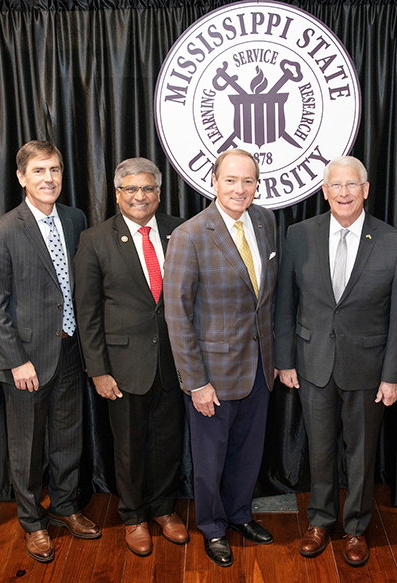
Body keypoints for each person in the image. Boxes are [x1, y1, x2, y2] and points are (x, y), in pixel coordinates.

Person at [274, 156, 397, 566]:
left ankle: (355, 527)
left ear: (366, 189)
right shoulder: (299, 235)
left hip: (368, 370)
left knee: (361, 453)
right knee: (319, 449)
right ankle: (319, 521)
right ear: (324, 191)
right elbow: (285, 302)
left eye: (351, 185)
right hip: (312, 363)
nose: (343, 193)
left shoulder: (394, 242)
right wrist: (285, 359)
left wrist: (392, 375)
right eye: (335, 186)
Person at [0, 140, 99, 564]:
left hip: (70, 351)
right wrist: (15, 359)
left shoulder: (74, 218)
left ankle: (65, 507)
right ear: (21, 177)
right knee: (27, 446)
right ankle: (32, 522)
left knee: (68, 439)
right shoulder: (1, 231)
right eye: (40, 171)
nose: (49, 178)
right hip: (27, 360)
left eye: (55, 170)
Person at [163, 148, 278, 568]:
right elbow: (177, 314)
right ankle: (212, 527)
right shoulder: (191, 235)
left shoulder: (266, 222)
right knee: (210, 461)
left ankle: (240, 514)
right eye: (231, 180)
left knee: (248, 454)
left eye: (248, 181)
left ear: (257, 185)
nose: (239, 189)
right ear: (213, 182)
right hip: (212, 375)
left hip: (259, 369)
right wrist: (195, 381)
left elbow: (267, 300)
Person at [74, 157, 188, 556]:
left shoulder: (180, 232)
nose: (141, 196)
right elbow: (86, 313)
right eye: (132, 189)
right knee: (128, 446)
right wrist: (98, 370)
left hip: (174, 364)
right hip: (122, 368)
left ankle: (163, 509)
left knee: (169, 443)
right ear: (118, 194)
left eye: (148, 189)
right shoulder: (95, 239)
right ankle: (134, 515)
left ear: (159, 193)